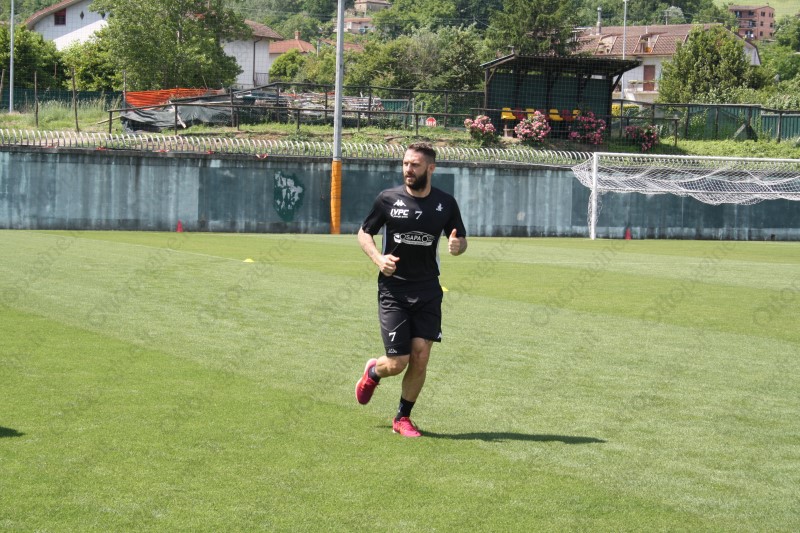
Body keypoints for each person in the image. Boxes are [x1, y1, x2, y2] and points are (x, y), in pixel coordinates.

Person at [354, 141, 468, 437]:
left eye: (415, 165)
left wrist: (458, 246)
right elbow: (364, 233)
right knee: (397, 362)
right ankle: (373, 372)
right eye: (405, 163)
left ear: (431, 168)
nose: (408, 169)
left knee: (420, 355)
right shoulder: (387, 199)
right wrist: (378, 259)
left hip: (428, 290)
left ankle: (402, 417)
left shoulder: (445, 203)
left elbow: (460, 240)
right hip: (394, 291)